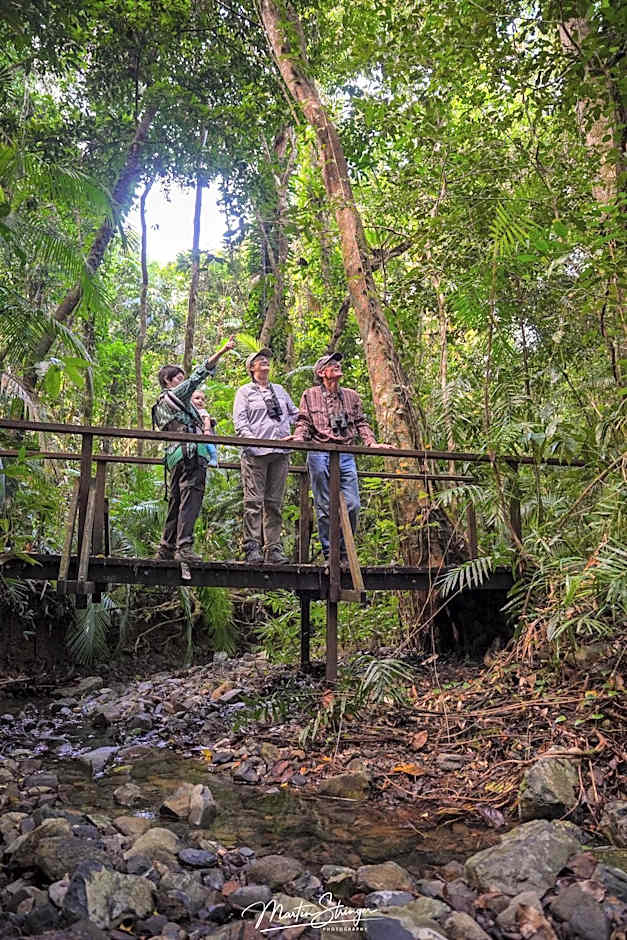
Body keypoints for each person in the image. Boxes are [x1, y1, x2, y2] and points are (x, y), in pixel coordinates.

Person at [292, 352, 389, 562]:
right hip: (319, 450)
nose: (336, 365)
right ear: (321, 372)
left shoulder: (352, 396)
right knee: (324, 505)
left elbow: (361, 422)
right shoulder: (310, 395)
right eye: (330, 364)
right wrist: (298, 438)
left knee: (353, 505)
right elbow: (303, 421)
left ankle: (344, 551)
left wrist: (371, 442)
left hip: (345, 452)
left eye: (337, 363)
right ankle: (330, 554)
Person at [153, 337, 235, 562]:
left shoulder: (163, 403)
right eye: (179, 379)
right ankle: (184, 548)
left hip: (175, 455)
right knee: (190, 499)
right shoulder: (176, 394)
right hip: (190, 453)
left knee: (176, 500)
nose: (185, 382)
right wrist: (222, 351)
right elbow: (200, 373)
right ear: (169, 382)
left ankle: (166, 547)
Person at [233, 348, 298, 564]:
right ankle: (252, 547)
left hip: (280, 452)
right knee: (253, 502)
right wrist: (255, 442)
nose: (264, 360)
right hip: (256, 453)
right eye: (259, 359)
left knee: (274, 503)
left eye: (266, 358)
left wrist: (298, 433)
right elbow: (240, 422)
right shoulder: (244, 392)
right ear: (251, 368)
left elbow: (295, 414)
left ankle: (273, 548)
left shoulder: (279, 390)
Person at [191, 389, 218, 467]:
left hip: (204, 433)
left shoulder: (202, 411)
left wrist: (207, 430)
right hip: (196, 434)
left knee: (209, 445)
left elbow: (207, 419)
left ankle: (214, 458)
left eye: (202, 400)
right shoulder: (191, 411)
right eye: (197, 398)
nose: (200, 401)